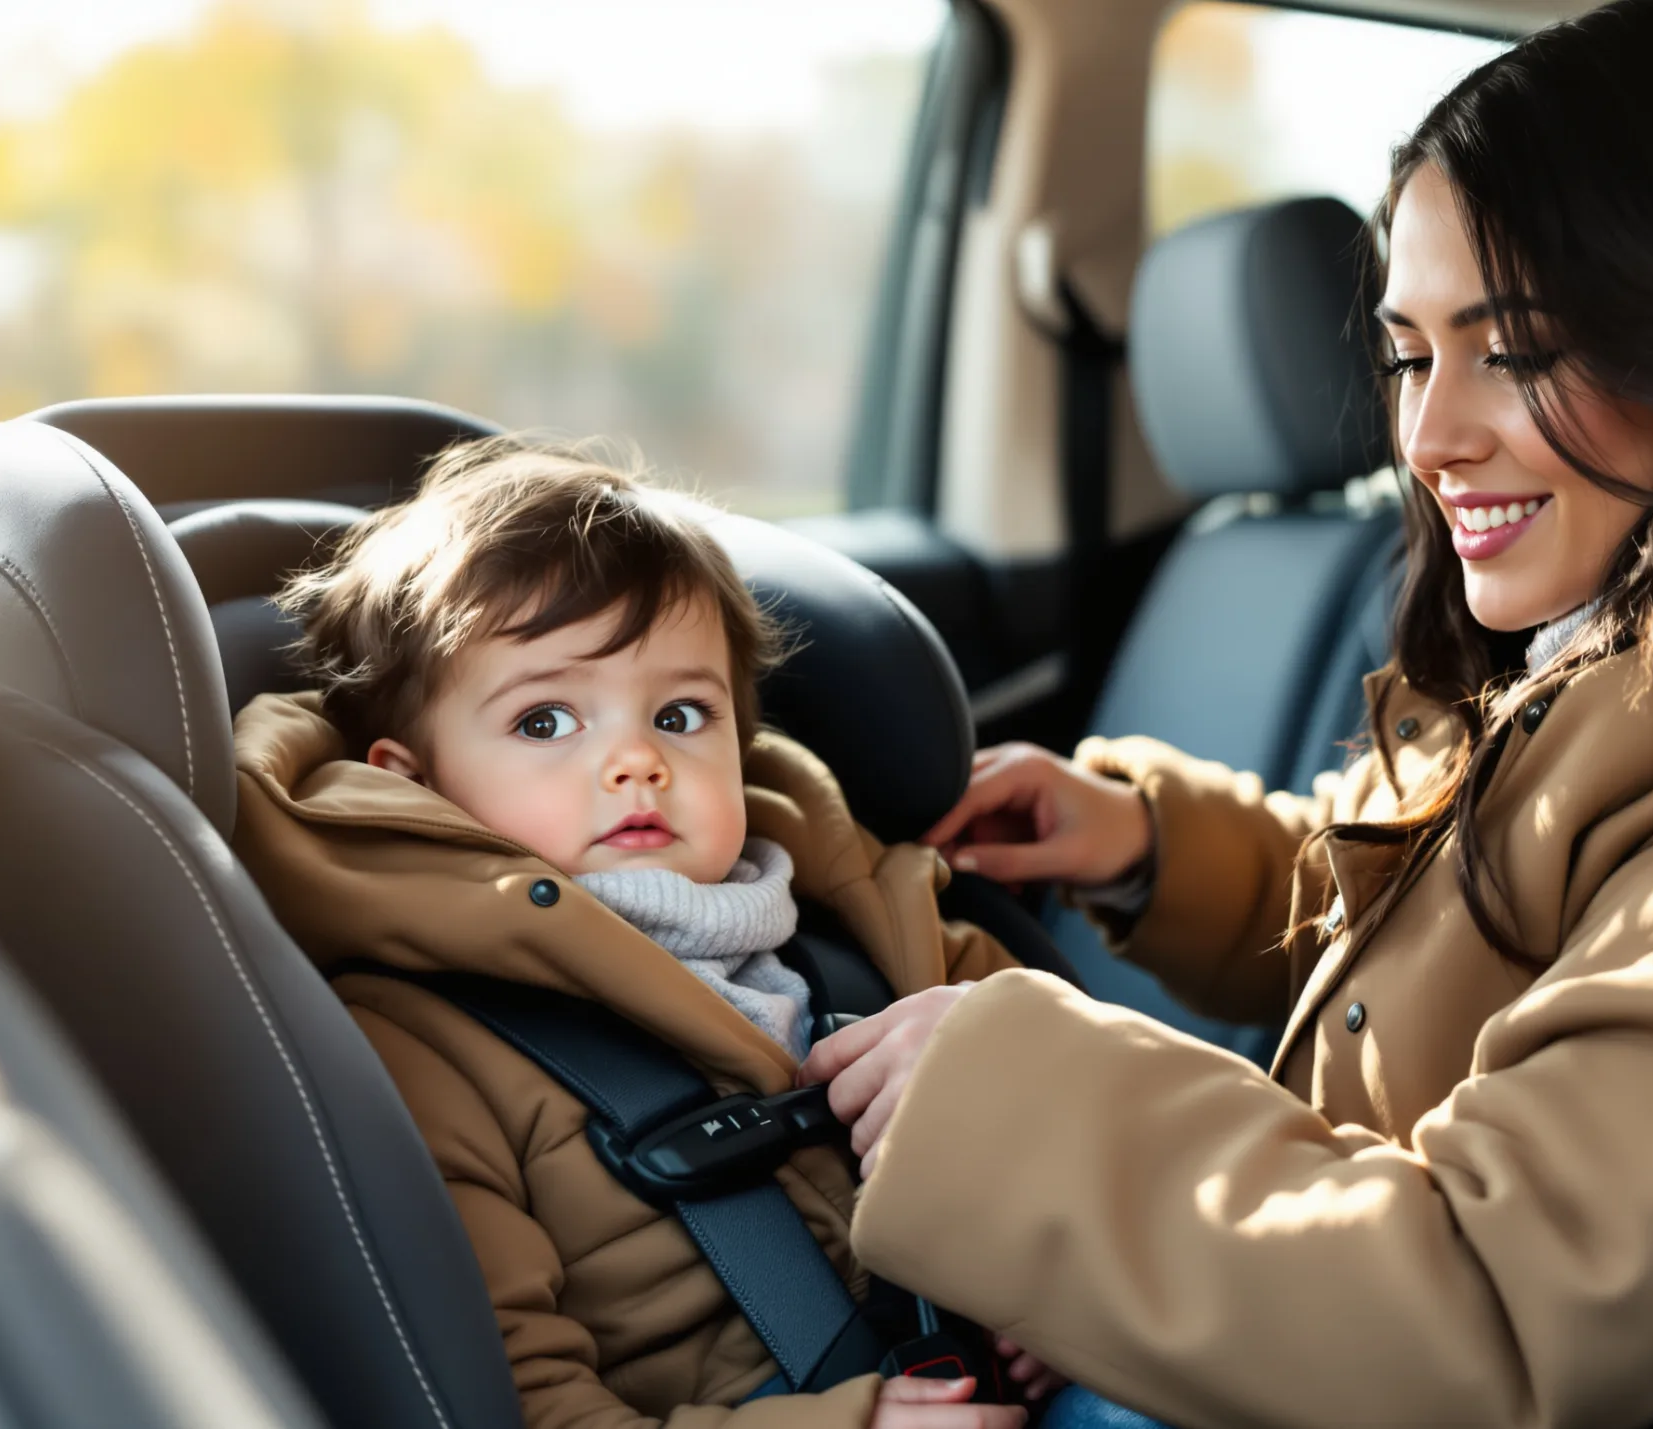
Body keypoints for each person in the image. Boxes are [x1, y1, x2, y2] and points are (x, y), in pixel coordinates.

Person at [798, 2, 1653, 1426]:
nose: (1428, 439)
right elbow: (1443, 924)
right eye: (1413, 353)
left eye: (1522, 349)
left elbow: (1492, 1312)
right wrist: (1152, 847)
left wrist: (1016, 1103)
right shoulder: (1629, 632)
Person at [230, 438, 1052, 1429]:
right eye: (544, 721)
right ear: (413, 787)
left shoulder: (882, 928)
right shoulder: (418, 1047)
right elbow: (510, 1405)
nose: (634, 759)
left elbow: (1093, 1126)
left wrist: (1051, 1274)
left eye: (679, 712)